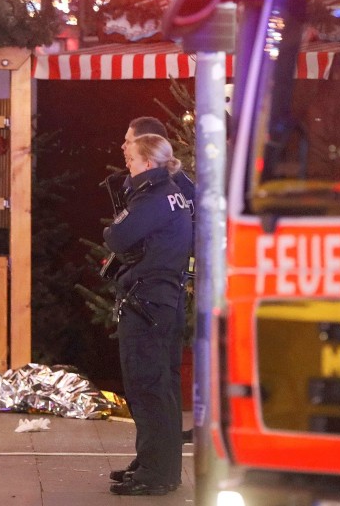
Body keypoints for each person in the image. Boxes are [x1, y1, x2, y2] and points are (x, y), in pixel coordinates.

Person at [103, 133, 193, 496]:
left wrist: (115, 230)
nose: (129, 163)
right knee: (162, 388)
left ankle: (156, 473)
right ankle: (156, 464)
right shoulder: (174, 192)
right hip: (163, 301)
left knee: (147, 388)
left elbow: (117, 235)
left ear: (150, 163)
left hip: (147, 303)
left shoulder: (153, 198)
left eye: (133, 160)